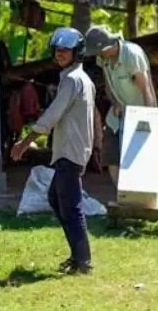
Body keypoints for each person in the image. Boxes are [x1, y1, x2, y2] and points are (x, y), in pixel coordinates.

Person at [11, 27, 97, 275]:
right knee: (56, 199)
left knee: (71, 206)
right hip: (71, 149)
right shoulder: (78, 78)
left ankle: (83, 262)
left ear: (76, 52)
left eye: (65, 51)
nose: (60, 54)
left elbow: (51, 116)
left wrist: (25, 142)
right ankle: (78, 256)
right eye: (57, 50)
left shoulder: (72, 80)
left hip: (71, 150)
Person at [84, 26, 158, 187]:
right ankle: (121, 194)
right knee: (111, 155)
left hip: (139, 114)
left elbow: (146, 90)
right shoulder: (102, 58)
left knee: (136, 160)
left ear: (106, 47)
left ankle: (136, 195)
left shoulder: (132, 55)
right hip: (117, 116)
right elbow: (109, 85)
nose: (96, 55)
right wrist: (115, 102)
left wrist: (149, 119)